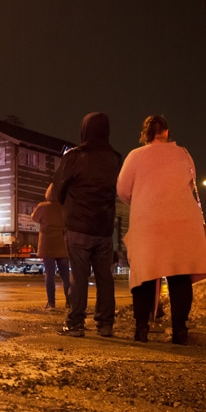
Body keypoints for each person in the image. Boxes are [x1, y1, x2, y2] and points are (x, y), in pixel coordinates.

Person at [116, 115, 206, 345]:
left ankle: (141, 330)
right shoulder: (184, 154)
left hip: (148, 221)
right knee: (179, 277)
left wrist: (143, 199)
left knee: (145, 277)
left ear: (145, 134)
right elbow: (191, 182)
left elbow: (122, 190)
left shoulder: (135, 156)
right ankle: (180, 331)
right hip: (182, 220)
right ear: (167, 132)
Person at [53, 112, 122, 337]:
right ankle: (105, 324)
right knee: (105, 277)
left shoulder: (74, 156)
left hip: (78, 226)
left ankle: (75, 323)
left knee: (79, 277)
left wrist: (70, 207)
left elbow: (58, 190)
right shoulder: (115, 158)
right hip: (103, 227)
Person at [30, 184, 70, 309]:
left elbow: (34, 218)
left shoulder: (43, 207)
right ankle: (70, 302)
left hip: (47, 245)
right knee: (65, 276)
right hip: (62, 245)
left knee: (50, 275)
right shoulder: (64, 207)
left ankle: (51, 303)